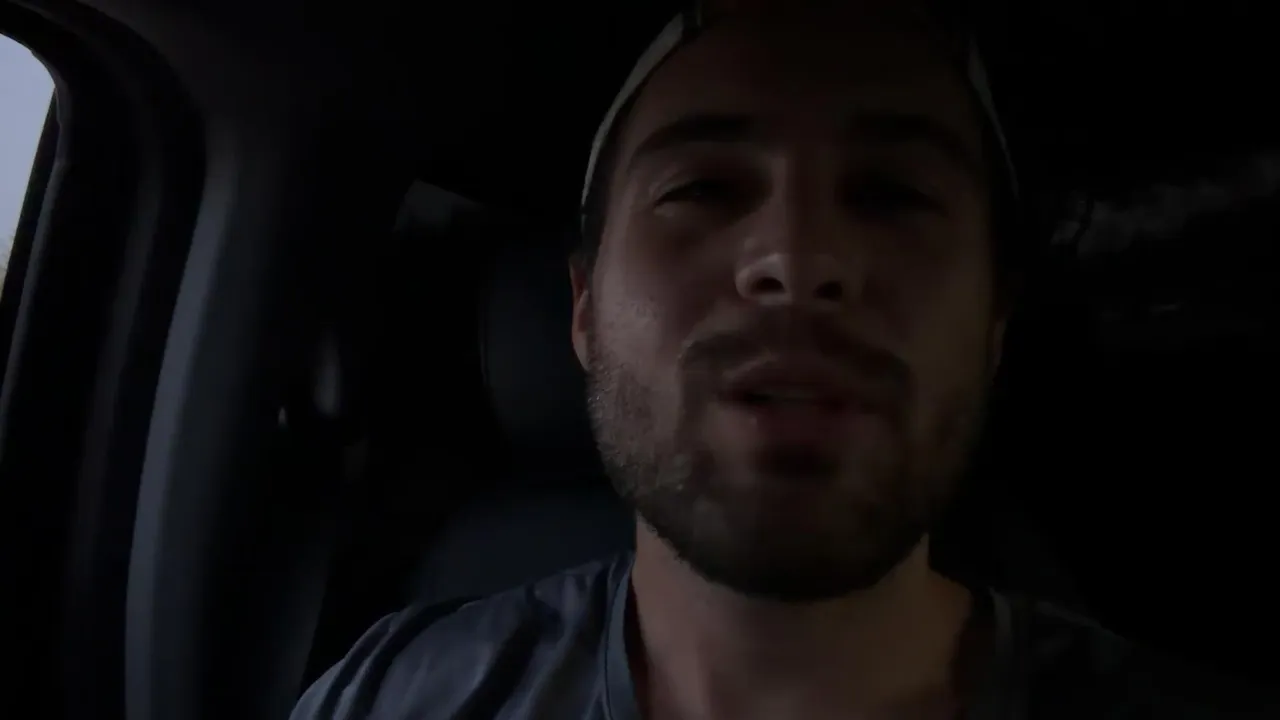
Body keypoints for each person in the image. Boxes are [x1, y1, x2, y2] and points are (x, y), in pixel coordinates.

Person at [293, 1, 1271, 718]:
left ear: (992, 327)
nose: (797, 261)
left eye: (891, 195)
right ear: (584, 309)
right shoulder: (390, 696)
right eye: (705, 188)